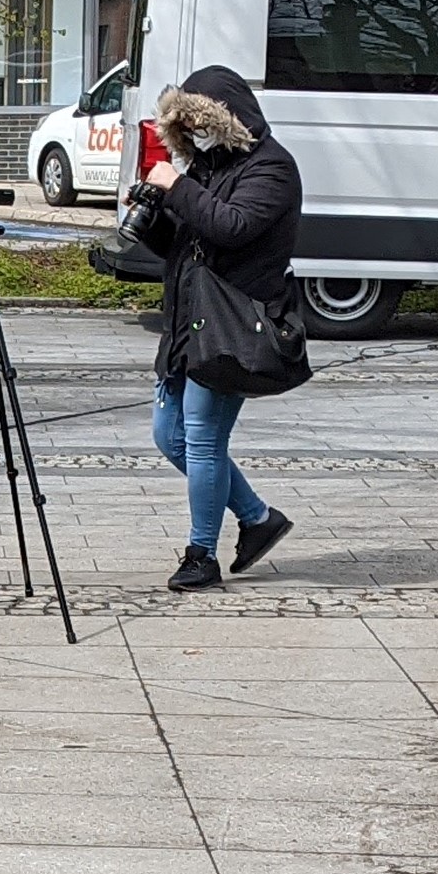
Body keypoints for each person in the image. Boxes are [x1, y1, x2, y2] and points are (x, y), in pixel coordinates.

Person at [135, 67, 300, 592]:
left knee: (203, 439)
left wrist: (178, 187)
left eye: (201, 123)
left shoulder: (272, 168)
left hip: (234, 323)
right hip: (189, 320)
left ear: (228, 118)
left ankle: (201, 554)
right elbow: (190, 241)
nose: (196, 134)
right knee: (170, 436)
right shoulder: (209, 166)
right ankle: (257, 518)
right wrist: (154, 217)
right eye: (186, 127)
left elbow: (233, 227)